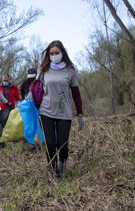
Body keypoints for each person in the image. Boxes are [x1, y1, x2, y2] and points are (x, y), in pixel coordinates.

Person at [38, 40, 84, 182]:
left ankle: (62, 162)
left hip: (64, 111)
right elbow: (35, 88)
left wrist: (80, 113)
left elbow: (76, 93)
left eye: (57, 52)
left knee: (62, 144)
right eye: (51, 53)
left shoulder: (70, 70)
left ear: (62, 53)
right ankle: (54, 173)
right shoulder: (43, 69)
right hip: (46, 110)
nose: (54, 55)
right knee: (50, 144)